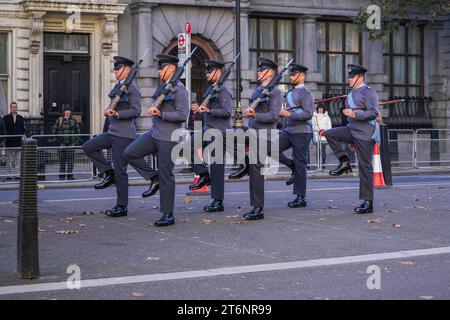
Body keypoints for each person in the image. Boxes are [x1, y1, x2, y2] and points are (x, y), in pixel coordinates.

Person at [123, 54, 189, 227]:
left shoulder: (180, 89)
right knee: (129, 153)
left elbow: (183, 115)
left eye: (162, 68)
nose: (159, 71)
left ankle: (168, 214)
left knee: (167, 175)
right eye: (159, 68)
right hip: (154, 134)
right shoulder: (163, 86)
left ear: (172, 69)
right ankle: (154, 178)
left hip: (169, 138)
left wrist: (161, 114)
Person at [83, 55, 151, 217]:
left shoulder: (132, 89)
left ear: (127, 70)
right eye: (114, 69)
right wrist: (109, 112)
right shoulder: (119, 87)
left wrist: (117, 114)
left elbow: (136, 111)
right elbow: (113, 107)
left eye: (118, 69)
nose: (115, 72)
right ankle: (108, 172)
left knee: (121, 170)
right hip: (112, 132)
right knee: (88, 146)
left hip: (124, 134)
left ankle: (122, 206)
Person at [321, 64, 379, 214]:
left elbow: (373, 113)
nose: (349, 79)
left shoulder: (369, 92)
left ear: (360, 77)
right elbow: (348, 118)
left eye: (352, 76)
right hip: (352, 130)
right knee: (330, 134)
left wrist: (355, 114)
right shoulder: (350, 95)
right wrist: (350, 140)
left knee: (365, 166)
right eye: (349, 76)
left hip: (365, 133)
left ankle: (368, 202)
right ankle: (344, 162)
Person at [240, 56, 282, 220]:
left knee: (256, 170)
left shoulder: (275, 92)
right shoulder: (258, 90)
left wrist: (255, 114)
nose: (258, 72)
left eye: (262, 70)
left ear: (270, 72)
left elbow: (273, 116)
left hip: (265, 134)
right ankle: (242, 163)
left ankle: (258, 208)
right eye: (258, 69)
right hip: (253, 131)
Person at [188, 59, 233, 212]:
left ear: (218, 73)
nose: (206, 75)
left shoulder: (223, 91)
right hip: (207, 129)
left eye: (209, 72)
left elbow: (227, 112)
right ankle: (203, 175)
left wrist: (209, 111)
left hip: (219, 132)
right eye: (206, 72)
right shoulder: (211, 89)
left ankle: (218, 201)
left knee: (217, 166)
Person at [277, 63, 315, 208]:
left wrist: (289, 113)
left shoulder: (306, 92)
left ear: (302, 76)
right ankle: (291, 165)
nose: (291, 77)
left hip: (301, 132)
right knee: (271, 149)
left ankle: (300, 197)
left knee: (301, 164)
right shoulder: (290, 93)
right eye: (291, 74)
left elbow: (308, 114)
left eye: (294, 74)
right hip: (288, 131)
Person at [52, 104, 80, 180]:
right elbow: (54, 131)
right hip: (62, 144)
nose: (67, 112)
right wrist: (58, 141)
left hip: (71, 144)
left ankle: (70, 175)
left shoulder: (74, 120)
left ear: (70, 112)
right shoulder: (59, 120)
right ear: (64, 112)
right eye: (66, 111)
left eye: (68, 111)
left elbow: (78, 132)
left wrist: (75, 142)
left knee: (70, 160)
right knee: (62, 160)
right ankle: (62, 175)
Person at [3, 102, 25, 176]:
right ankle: (8, 175)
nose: (14, 108)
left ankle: (17, 174)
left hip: (18, 142)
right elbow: (4, 129)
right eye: (12, 107)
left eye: (15, 107)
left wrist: (20, 136)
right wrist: (8, 136)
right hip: (9, 142)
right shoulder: (5, 118)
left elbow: (23, 129)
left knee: (18, 160)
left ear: (17, 108)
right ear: (10, 108)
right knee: (9, 160)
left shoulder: (21, 118)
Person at [312, 103, 332, 170]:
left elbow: (329, 127)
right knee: (318, 151)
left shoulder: (327, 117)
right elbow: (313, 126)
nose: (320, 109)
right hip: (317, 136)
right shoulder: (314, 116)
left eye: (321, 108)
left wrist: (326, 133)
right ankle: (318, 164)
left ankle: (323, 163)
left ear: (323, 109)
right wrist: (315, 132)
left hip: (324, 136)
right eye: (319, 108)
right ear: (317, 109)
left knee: (323, 152)